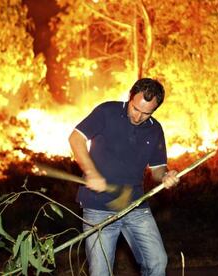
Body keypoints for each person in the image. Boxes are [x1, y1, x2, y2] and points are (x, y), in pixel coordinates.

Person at [68, 78, 179, 276]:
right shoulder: (106, 112)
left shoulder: (155, 129)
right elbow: (76, 138)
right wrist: (91, 172)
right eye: (136, 109)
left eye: (146, 113)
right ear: (130, 97)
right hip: (97, 207)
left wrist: (165, 176)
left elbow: (157, 168)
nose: (138, 117)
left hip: (135, 204)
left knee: (157, 261)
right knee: (100, 272)